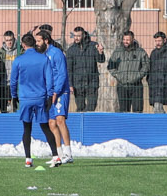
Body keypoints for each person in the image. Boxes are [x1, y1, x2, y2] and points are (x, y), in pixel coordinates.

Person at [11, 31, 60, 167]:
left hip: (26, 98)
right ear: (34, 44)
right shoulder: (44, 59)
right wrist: (50, 95)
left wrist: (14, 96)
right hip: (40, 98)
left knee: (27, 128)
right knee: (45, 127)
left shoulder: (19, 60)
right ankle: (55, 156)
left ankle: (28, 159)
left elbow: (13, 80)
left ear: (23, 45)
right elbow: (49, 79)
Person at [42, 26, 74, 163]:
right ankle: (58, 155)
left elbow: (62, 74)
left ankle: (69, 154)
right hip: (49, 92)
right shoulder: (42, 55)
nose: (36, 44)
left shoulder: (57, 53)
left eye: (38, 41)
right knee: (52, 123)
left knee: (60, 120)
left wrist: (56, 91)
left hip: (60, 92)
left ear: (46, 40)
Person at [108, 31, 147, 113]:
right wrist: (118, 76)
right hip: (122, 85)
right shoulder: (117, 52)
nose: (125, 41)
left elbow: (146, 66)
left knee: (138, 110)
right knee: (124, 111)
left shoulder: (140, 52)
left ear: (132, 39)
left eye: (128, 40)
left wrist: (138, 75)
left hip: (136, 86)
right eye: (124, 39)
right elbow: (110, 66)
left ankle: (137, 125)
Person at [68, 29, 103, 113]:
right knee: (80, 108)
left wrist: (100, 52)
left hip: (92, 82)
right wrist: (70, 85)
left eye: (78, 36)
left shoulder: (93, 46)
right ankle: (80, 125)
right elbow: (69, 69)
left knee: (91, 107)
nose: (76, 38)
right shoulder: (71, 50)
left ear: (83, 36)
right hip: (78, 83)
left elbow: (101, 60)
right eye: (75, 36)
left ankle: (89, 124)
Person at [146, 31, 167, 113]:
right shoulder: (153, 53)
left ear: (164, 40)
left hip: (163, 83)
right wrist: (149, 79)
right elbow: (150, 67)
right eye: (156, 41)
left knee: (158, 107)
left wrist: (165, 80)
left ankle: (161, 123)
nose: (157, 43)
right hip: (153, 83)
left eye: (159, 41)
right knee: (156, 108)